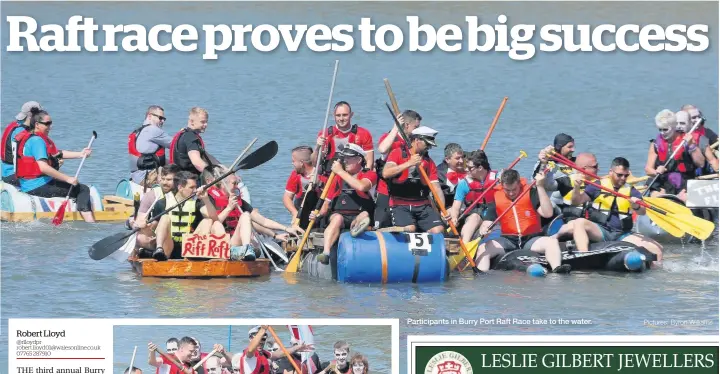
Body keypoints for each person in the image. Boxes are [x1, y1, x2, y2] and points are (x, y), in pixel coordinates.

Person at [473, 169, 571, 273]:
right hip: (508, 240)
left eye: (514, 189)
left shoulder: (531, 193)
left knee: (552, 242)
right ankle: (482, 277)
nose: (511, 193)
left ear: (519, 183)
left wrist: (540, 187)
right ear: (502, 186)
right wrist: (484, 229)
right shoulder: (496, 197)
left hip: (531, 239)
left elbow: (547, 213)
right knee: (483, 248)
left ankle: (557, 269)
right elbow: (487, 222)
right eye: (507, 190)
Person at [571, 157, 664, 263]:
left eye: (626, 175)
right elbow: (576, 201)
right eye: (619, 175)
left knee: (657, 250)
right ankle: (584, 256)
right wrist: (576, 188)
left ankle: (651, 272)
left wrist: (636, 206)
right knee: (579, 222)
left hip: (622, 234)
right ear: (611, 172)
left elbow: (642, 212)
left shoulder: (631, 191)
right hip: (601, 230)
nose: (623, 178)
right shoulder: (597, 185)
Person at [15, 109, 96, 222]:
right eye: (47, 124)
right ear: (37, 124)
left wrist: (81, 154)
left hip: (29, 184)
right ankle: (89, 221)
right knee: (82, 189)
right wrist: (68, 179)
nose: (50, 127)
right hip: (38, 186)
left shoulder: (31, 137)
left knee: (75, 186)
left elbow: (58, 154)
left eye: (51, 123)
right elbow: (43, 167)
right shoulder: (37, 141)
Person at [206, 170, 303, 261]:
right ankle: (237, 252)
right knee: (217, 224)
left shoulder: (239, 202)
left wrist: (286, 229)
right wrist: (229, 208)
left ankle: (246, 249)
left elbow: (263, 221)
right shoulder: (210, 199)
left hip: (233, 244)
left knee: (246, 215)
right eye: (234, 184)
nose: (237, 187)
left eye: (237, 184)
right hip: (219, 245)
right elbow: (212, 224)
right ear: (223, 184)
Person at [311, 144, 377, 265]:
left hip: (359, 213)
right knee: (337, 218)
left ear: (359, 159)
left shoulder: (369, 175)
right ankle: (326, 253)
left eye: (349, 158)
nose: (345, 161)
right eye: (344, 158)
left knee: (364, 214)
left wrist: (340, 171)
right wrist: (318, 215)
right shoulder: (336, 178)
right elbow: (327, 202)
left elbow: (362, 186)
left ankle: (356, 228)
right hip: (339, 214)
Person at [382, 127, 449, 233]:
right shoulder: (398, 153)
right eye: (427, 144)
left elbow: (436, 188)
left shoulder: (429, 162)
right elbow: (386, 173)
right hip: (399, 204)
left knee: (438, 230)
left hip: (422, 205)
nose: (429, 148)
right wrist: (409, 163)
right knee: (410, 229)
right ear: (417, 140)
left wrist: (443, 210)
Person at [151, 171, 224, 261]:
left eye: (195, 187)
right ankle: (159, 249)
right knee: (165, 217)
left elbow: (214, 219)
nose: (195, 190)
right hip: (169, 247)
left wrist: (205, 199)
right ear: (180, 187)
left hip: (189, 248)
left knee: (207, 221)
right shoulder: (162, 202)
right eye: (191, 187)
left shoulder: (197, 202)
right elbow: (153, 226)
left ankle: (195, 256)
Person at [374, 110, 421, 229]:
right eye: (416, 127)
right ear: (406, 125)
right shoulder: (390, 137)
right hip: (386, 190)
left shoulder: (412, 142)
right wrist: (395, 128)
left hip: (402, 192)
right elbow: (382, 149)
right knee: (382, 224)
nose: (418, 130)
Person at [644, 109, 705, 201]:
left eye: (665, 129)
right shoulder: (655, 144)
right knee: (655, 196)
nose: (662, 133)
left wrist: (692, 145)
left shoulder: (687, 140)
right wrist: (656, 172)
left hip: (684, 180)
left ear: (674, 126)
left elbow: (701, 163)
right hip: (663, 181)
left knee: (685, 198)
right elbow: (648, 169)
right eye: (660, 129)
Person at [127, 164, 181, 256]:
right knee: (140, 237)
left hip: (180, 237)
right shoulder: (151, 195)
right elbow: (140, 219)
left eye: (168, 180)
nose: (164, 183)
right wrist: (136, 223)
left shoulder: (185, 193)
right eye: (163, 179)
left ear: (178, 181)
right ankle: (144, 253)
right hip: (157, 237)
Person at [313, 101, 374, 177]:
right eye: (338, 115)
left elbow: (369, 161)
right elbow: (314, 163)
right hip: (330, 177)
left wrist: (365, 178)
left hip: (355, 177)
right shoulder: (325, 134)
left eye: (345, 115)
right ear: (334, 116)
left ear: (351, 115)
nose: (341, 118)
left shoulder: (363, 133)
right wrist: (317, 147)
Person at [450, 150, 497, 243]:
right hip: (475, 212)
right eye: (465, 166)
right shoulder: (464, 183)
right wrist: (454, 217)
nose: (466, 169)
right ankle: (465, 248)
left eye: (470, 167)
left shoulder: (497, 179)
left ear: (480, 167)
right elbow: (456, 206)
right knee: (474, 218)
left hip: (494, 212)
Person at [238, 326, 313, 374]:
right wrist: (263, 329)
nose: (261, 342)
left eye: (263, 339)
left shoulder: (263, 353)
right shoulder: (248, 354)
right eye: (258, 339)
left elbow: (280, 353)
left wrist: (297, 348)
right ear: (250, 339)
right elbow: (251, 350)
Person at [1, 101, 43, 186]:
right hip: (14, 175)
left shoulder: (14, 125)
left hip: (5, 172)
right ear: (31, 115)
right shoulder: (23, 132)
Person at [128, 105, 172, 185]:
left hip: (135, 178)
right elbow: (176, 144)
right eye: (160, 118)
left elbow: (153, 158)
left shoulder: (138, 131)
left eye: (164, 119)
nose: (162, 121)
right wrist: (182, 135)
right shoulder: (154, 130)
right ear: (149, 116)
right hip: (148, 178)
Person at [283, 146, 324, 227]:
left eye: (293, 161)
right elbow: (287, 197)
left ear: (301, 163)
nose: (292, 163)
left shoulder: (322, 174)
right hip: (300, 214)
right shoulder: (295, 174)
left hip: (318, 214)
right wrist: (294, 213)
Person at [169, 107, 214, 179]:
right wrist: (212, 175)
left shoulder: (184, 134)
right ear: (192, 122)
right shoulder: (190, 137)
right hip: (189, 181)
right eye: (202, 122)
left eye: (206, 122)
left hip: (179, 178)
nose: (206, 125)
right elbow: (196, 162)